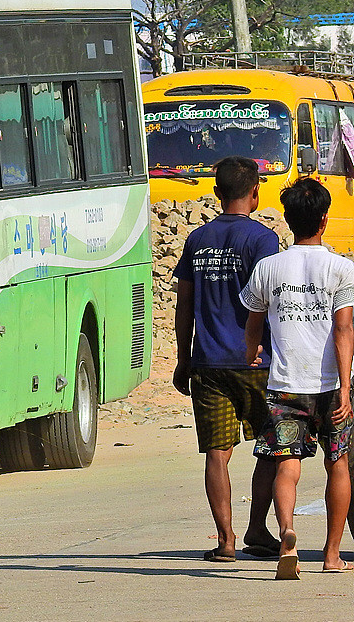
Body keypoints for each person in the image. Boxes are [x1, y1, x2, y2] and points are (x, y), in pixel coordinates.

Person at [242, 177, 354, 577]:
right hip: (329, 387)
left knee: (287, 464)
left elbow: (254, 323)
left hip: (285, 387)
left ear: (288, 219)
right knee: (338, 465)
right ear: (324, 220)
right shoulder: (341, 269)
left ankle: (287, 528)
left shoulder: (268, 268)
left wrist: (251, 350)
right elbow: (344, 330)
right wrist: (344, 386)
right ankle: (331, 555)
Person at [172, 155, 281, 562]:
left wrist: (184, 359)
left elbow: (184, 306)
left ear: (217, 194)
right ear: (255, 192)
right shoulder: (263, 239)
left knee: (217, 453)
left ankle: (227, 540)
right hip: (258, 364)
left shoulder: (197, 239)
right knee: (272, 447)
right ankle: (257, 526)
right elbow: (271, 303)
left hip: (209, 362)